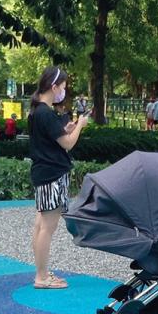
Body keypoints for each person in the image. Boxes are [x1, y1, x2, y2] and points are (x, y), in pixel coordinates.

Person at [29, 65, 90, 289]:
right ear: (54, 87)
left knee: (40, 225)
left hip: (43, 172)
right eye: (62, 87)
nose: (63, 91)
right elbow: (67, 143)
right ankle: (42, 276)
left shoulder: (38, 110)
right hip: (52, 174)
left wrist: (68, 128)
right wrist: (80, 127)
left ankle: (41, 272)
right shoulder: (45, 112)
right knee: (47, 227)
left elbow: (56, 137)